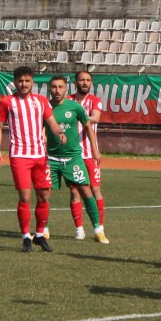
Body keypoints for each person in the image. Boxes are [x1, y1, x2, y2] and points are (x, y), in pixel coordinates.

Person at [0, 66, 67, 252]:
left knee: (44, 196)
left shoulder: (41, 101)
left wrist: (59, 132)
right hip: (19, 155)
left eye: (27, 81)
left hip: (40, 156)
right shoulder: (7, 102)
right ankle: (26, 236)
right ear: (15, 82)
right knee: (25, 197)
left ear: (32, 82)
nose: (23, 84)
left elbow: (51, 122)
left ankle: (40, 235)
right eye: (20, 81)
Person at [46, 75, 108, 244]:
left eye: (60, 87)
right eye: (54, 87)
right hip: (50, 158)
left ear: (66, 89)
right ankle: (43, 230)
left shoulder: (75, 107)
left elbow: (88, 125)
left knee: (87, 191)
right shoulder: (44, 107)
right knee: (44, 194)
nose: (57, 90)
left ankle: (98, 230)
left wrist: (95, 150)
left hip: (74, 157)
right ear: (49, 89)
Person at [64, 70, 104, 238]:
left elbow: (95, 117)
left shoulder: (95, 101)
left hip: (90, 153)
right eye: (82, 80)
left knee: (95, 189)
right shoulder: (67, 101)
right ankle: (79, 229)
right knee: (75, 191)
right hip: (72, 154)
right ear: (76, 82)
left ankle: (99, 229)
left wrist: (77, 116)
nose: (85, 83)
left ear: (91, 83)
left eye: (88, 80)